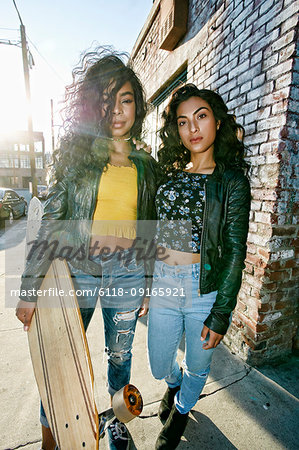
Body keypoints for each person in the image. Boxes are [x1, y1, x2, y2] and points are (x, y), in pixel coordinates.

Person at [15, 47, 160, 450]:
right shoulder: (78, 158)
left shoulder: (147, 166)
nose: (116, 109)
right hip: (77, 269)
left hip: (128, 272)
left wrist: (147, 281)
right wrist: (30, 290)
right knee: (61, 358)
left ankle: (115, 422)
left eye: (125, 99)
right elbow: (51, 226)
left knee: (119, 357)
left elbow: (150, 230)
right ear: (93, 106)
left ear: (138, 106)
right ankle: (53, 434)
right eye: (106, 100)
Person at [148, 84, 251, 449]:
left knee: (199, 365)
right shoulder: (169, 175)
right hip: (164, 281)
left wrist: (221, 313)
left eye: (201, 116)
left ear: (217, 123)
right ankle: (173, 384)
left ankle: (181, 410)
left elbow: (235, 251)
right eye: (182, 121)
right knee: (159, 366)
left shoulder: (231, 182)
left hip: (202, 288)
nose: (192, 128)